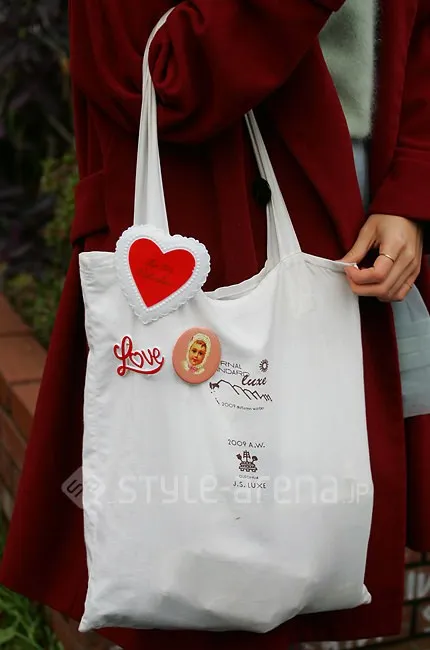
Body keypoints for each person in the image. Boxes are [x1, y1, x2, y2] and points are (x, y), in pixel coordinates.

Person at [1, 1, 430, 649]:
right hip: (215, 229)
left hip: (362, 232)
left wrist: (410, 193)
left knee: (327, 536)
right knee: (213, 567)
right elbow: (162, 74)